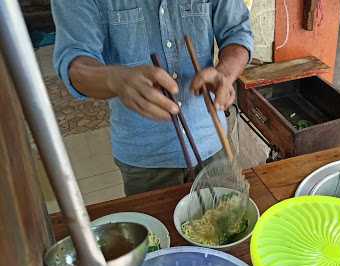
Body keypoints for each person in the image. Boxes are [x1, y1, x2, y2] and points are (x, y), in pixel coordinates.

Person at [52, 0, 253, 195]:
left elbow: (237, 31)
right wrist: (115, 79)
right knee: (156, 229)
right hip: (145, 159)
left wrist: (226, 73)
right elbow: (74, 61)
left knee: (232, 221)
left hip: (212, 141)